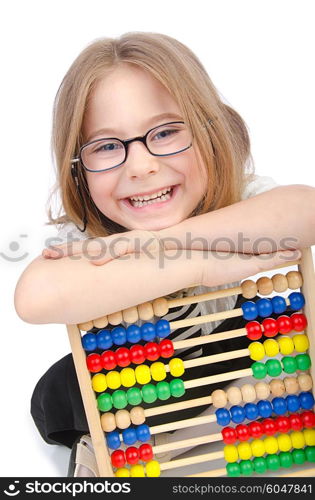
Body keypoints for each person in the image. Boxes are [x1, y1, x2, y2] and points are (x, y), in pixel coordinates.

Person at [14, 32, 315, 477]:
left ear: (213, 131)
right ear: (78, 168)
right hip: (138, 392)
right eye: (107, 146)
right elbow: (34, 298)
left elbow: (304, 210)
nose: (141, 166)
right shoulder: (95, 244)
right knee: (66, 391)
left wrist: (158, 242)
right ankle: (89, 448)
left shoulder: (241, 204)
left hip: (244, 368)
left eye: (168, 131)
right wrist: (199, 265)